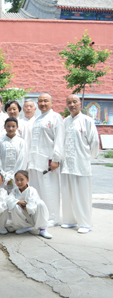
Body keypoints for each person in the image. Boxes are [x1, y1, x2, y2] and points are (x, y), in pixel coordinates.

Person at [61, 94, 99, 234]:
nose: (72, 105)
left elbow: (94, 142)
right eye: (69, 102)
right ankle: (70, 220)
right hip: (67, 164)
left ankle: (85, 223)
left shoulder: (87, 121)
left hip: (81, 163)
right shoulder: (65, 121)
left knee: (82, 194)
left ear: (80, 104)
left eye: (75, 102)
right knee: (67, 193)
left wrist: (88, 158)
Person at [28, 93, 64, 226]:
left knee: (50, 190)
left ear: (51, 102)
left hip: (48, 162)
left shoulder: (56, 117)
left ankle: (52, 218)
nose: (42, 103)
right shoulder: (37, 119)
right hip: (35, 161)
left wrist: (56, 158)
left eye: (45, 101)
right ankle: (40, 216)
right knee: (38, 190)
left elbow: (59, 139)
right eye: (40, 101)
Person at [7, 170, 52, 239]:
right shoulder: (15, 190)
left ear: (27, 180)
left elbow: (32, 204)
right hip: (23, 214)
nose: (19, 182)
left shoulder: (32, 190)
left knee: (40, 203)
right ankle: (25, 226)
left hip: (34, 215)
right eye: (17, 180)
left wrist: (25, 205)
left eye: (22, 180)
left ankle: (42, 229)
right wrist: (23, 203)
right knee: (14, 206)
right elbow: (9, 200)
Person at [0, 118, 27, 193]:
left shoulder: (21, 142)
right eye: (8, 126)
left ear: (17, 127)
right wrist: (3, 175)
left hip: (17, 177)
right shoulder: (0, 142)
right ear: (4, 127)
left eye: (13, 126)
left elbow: (22, 160)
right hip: (3, 177)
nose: (10, 128)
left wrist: (14, 176)